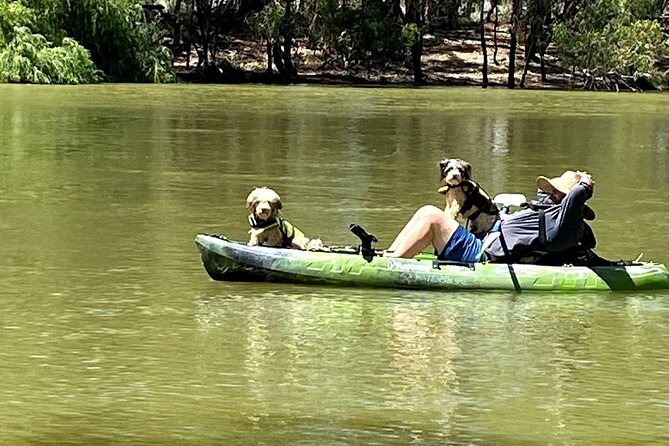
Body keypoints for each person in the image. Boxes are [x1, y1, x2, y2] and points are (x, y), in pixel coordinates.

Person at [384, 170, 595, 264]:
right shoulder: (548, 212)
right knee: (425, 212)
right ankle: (390, 255)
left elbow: (575, 198)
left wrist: (584, 183)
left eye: (558, 193)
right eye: (553, 190)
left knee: (430, 215)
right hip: (482, 244)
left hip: (481, 255)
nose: (551, 194)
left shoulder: (563, 222)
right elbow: (550, 198)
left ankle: (392, 265)